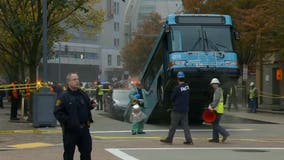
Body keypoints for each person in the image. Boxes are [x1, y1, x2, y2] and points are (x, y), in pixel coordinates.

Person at [54, 72, 96, 160]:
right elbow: (57, 112)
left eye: (77, 79)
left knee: (86, 153)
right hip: (70, 131)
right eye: (74, 79)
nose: (77, 81)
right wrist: (68, 121)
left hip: (84, 129)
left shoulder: (82, 94)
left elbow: (87, 105)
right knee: (69, 154)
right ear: (69, 82)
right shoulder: (63, 96)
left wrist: (91, 105)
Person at [160, 71, 193, 145]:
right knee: (185, 126)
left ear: (177, 79)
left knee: (173, 125)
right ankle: (189, 139)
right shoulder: (187, 87)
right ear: (184, 78)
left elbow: (172, 98)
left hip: (177, 110)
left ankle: (169, 139)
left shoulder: (177, 88)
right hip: (185, 109)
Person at [208, 78, 229, 143]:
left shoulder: (217, 90)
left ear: (216, 84)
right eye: (212, 84)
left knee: (215, 125)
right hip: (218, 110)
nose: (212, 85)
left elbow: (216, 100)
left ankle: (225, 134)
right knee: (214, 124)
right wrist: (210, 104)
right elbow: (216, 100)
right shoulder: (219, 90)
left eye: (213, 84)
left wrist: (212, 106)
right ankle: (215, 138)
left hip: (218, 110)